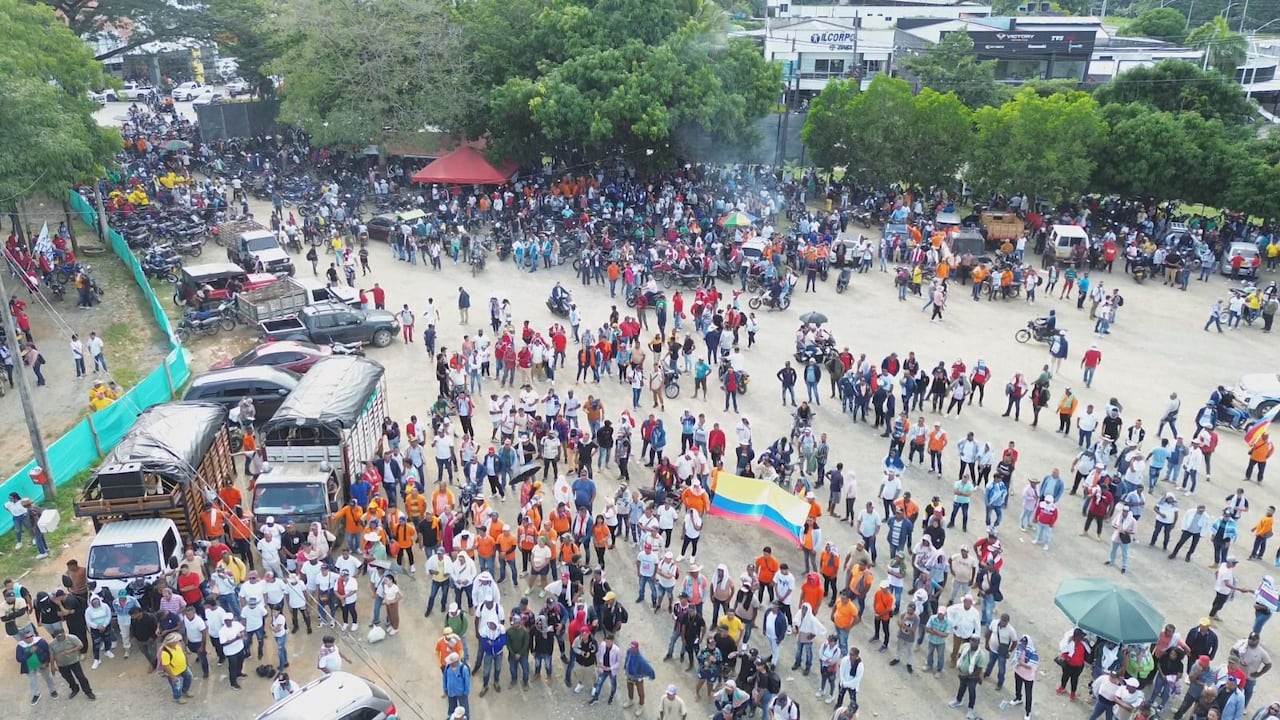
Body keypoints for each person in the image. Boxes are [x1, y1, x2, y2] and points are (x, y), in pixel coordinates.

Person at [49, 626, 94, 700]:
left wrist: (70, 651)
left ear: (64, 633)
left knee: (81, 677)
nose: (60, 638)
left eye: (61, 635)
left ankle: (88, 692)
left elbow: (80, 645)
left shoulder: (72, 638)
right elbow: (51, 655)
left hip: (74, 662)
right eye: (58, 636)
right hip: (62, 664)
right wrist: (52, 666)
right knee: (68, 678)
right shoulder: (52, 644)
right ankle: (75, 689)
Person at [160, 632, 194, 704]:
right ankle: (178, 697)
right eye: (177, 640)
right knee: (176, 686)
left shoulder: (178, 646)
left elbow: (183, 654)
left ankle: (185, 690)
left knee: (189, 677)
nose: (179, 641)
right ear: (172, 642)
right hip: (174, 673)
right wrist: (172, 677)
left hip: (184, 668)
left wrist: (186, 664)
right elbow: (166, 666)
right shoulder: (165, 652)